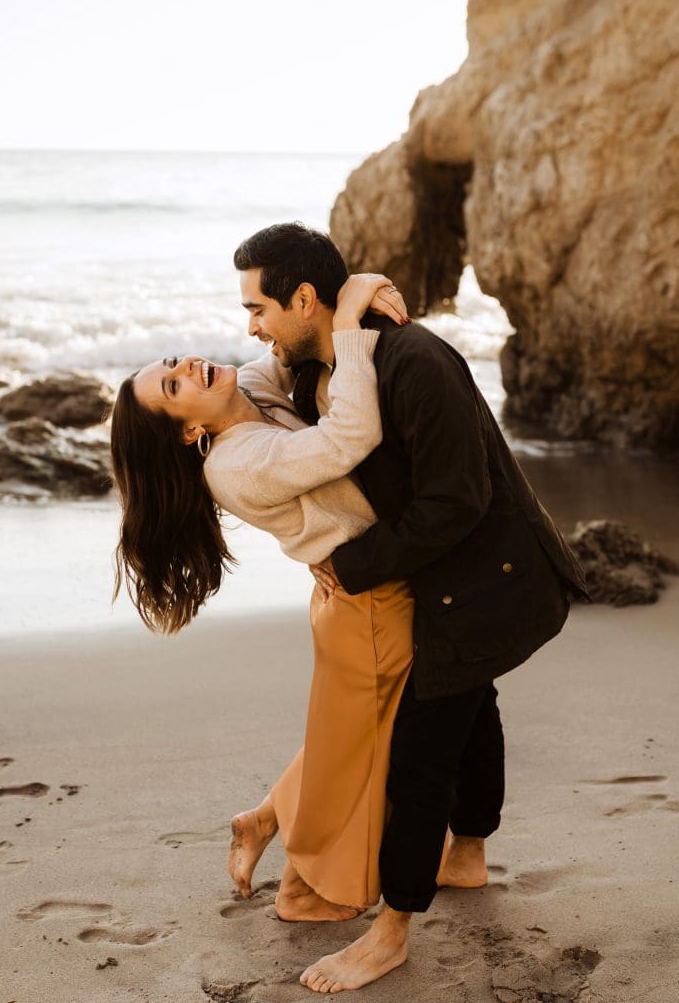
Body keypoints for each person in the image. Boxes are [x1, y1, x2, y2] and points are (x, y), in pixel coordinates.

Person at [232, 222, 588, 994]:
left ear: (303, 299)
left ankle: (390, 932)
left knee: (419, 752)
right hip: (428, 579)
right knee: (473, 705)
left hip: (481, 580)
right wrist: (354, 294)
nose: (252, 327)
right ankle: (467, 856)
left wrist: (349, 564)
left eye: (258, 308)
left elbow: (455, 501)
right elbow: (245, 386)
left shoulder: (412, 359)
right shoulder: (314, 362)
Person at [109, 273, 419, 923]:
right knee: (354, 751)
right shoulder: (235, 463)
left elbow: (286, 345)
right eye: (174, 387)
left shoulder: (247, 389)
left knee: (352, 737)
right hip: (363, 601)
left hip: (363, 589)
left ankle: (262, 821)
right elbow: (347, 438)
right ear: (187, 431)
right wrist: (349, 323)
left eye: (173, 362)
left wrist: (349, 288)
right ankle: (305, 891)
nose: (187, 367)